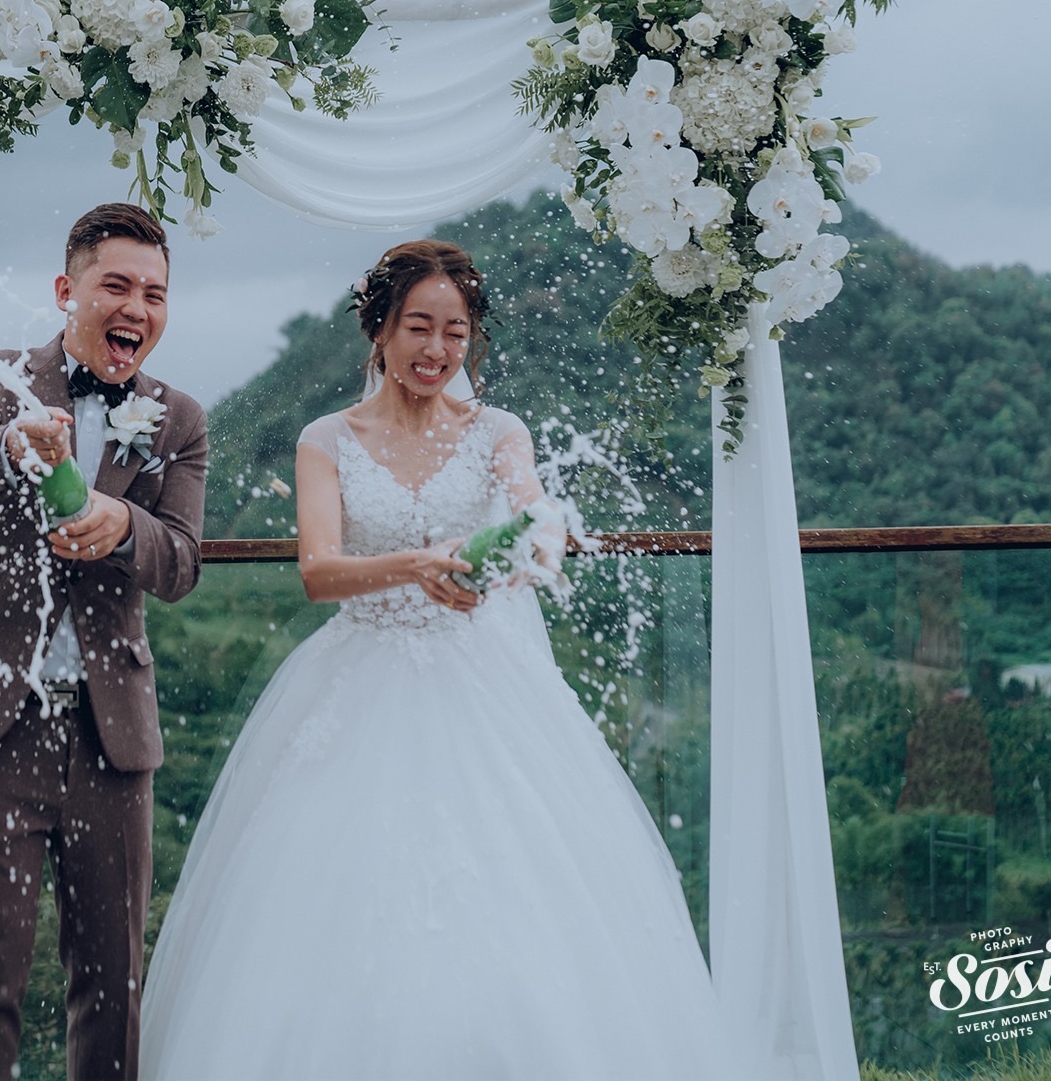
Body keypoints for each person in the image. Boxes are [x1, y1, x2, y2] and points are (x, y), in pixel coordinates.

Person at [139, 239, 735, 1079]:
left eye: (456, 332)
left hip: (483, 680)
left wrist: (526, 553)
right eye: (419, 327)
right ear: (379, 330)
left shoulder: (499, 432)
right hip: (359, 682)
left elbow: (538, 520)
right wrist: (416, 566)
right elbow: (319, 571)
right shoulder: (326, 438)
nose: (437, 349)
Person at [0, 202, 210, 1081]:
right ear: (67, 290)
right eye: (117, 286)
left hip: (113, 738)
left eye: (155, 294)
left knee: (112, 986)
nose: (137, 308)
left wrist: (123, 525)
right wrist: (11, 443)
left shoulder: (179, 418)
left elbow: (182, 563)